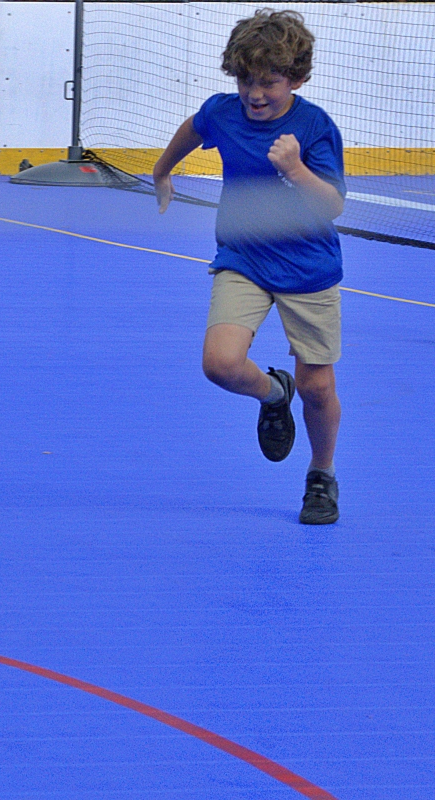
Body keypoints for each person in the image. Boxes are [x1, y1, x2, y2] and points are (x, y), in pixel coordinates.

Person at [153, 9, 344, 524]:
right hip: (243, 258)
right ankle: (272, 391)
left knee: (319, 387)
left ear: (298, 79)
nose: (255, 94)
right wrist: (161, 169)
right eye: (245, 80)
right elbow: (194, 128)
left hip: (308, 268)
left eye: (269, 82)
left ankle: (321, 475)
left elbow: (332, 206)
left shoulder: (314, 127)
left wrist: (295, 168)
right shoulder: (223, 111)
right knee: (220, 364)